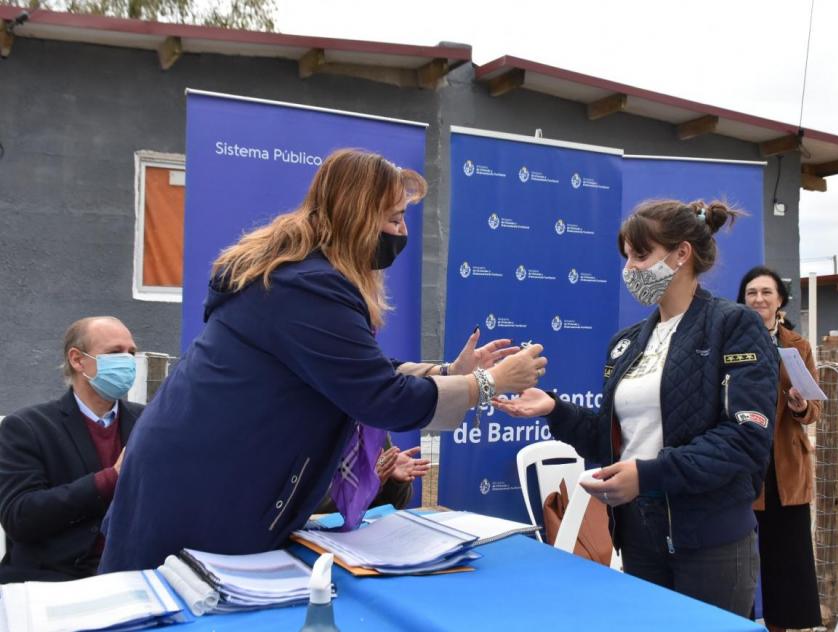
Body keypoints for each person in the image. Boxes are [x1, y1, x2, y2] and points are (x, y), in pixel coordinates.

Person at [100, 149, 547, 572]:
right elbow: (378, 396)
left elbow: (355, 370)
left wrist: (448, 374)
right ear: (357, 218)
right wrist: (486, 384)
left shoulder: (302, 278)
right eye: (393, 219)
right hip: (202, 491)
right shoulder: (307, 288)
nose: (402, 233)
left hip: (207, 479)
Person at [496, 199, 778, 617]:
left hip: (711, 541)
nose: (629, 268)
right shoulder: (626, 343)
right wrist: (553, 409)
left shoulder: (733, 325)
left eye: (641, 255)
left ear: (681, 254)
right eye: (626, 255)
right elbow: (609, 440)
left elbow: (744, 439)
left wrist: (647, 475)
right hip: (639, 536)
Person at [0, 316, 143, 582]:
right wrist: (110, 478)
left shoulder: (147, 422)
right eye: (114, 352)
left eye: (131, 353)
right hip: (51, 580)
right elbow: (20, 517)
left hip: (131, 576)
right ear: (77, 360)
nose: (127, 361)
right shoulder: (27, 427)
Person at [737, 266, 822, 631]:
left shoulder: (797, 346)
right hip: (741, 465)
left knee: (789, 561)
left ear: (780, 301)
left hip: (785, 467)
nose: (759, 299)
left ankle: (783, 626)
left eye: (766, 293)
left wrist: (800, 405)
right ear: (743, 300)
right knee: (735, 561)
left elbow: (814, 409)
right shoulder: (730, 341)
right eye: (752, 292)